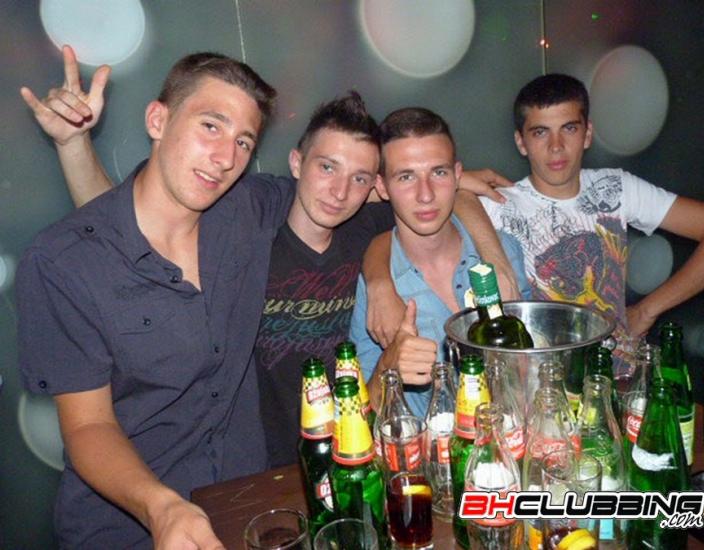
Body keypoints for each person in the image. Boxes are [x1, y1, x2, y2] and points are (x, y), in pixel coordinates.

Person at [21, 48, 524, 472]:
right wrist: (73, 144)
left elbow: (433, 195)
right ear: (297, 164)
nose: (339, 190)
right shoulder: (245, 217)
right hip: (253, 462)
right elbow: (131, 224)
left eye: (358, 178)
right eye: (326, 167)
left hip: (339, 453)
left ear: (373, 186)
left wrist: (410, 266)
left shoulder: (363, 221)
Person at [17, 47, 291, 548]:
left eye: (243, 141)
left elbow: (340, 186)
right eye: (211, 126)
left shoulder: (247, 210)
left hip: (244, 507)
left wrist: (443, 192)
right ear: (158, 120)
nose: (226, 157)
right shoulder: (62, 261)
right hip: (128, 527)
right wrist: (160, 506)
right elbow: (88, 426)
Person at [476, 73, 704, 341]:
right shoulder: (498, 204)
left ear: (587, 134)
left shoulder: (615, 187)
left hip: (618, 363)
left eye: (569, 128)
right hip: (542, 366)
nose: (556, 146)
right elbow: (446, 206)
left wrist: (647, 310)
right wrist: (461, 186)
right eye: (541, 132)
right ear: (521, 142)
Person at [348, 107, 500, 416]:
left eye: (438, 173)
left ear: (458, 175)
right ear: (382, 187)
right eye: (406, 177)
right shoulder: (374, 285)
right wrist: (389, 365)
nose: (426, 194)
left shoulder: (503, 252)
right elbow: (359, 415)